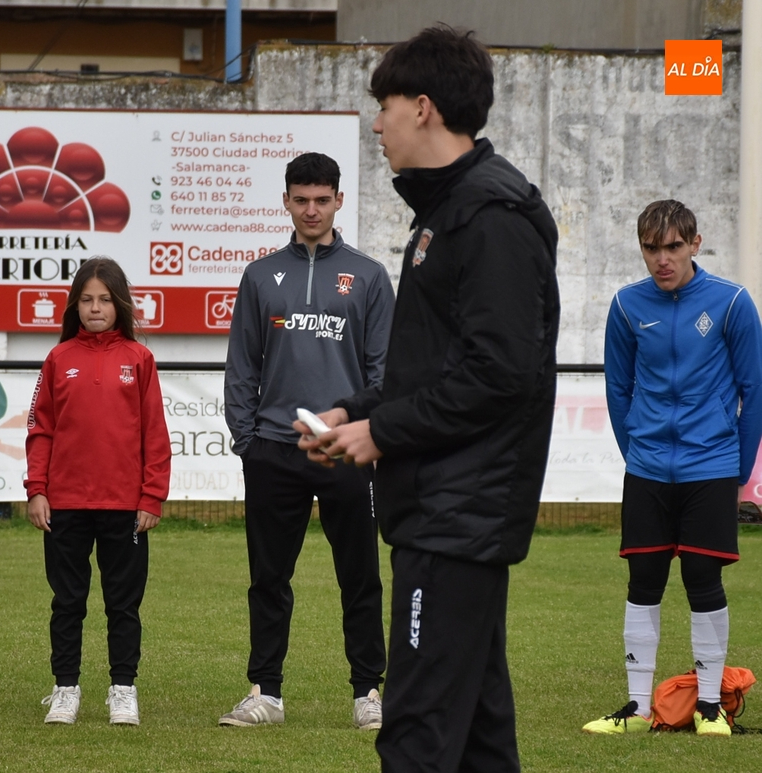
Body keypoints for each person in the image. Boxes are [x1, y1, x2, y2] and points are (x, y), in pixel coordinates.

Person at [299, 26, 559, 771]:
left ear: (422, 108)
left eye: (382, 107)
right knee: (478, 739)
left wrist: (383, 434)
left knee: (414, 734)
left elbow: (498, 373)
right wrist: (360, 409)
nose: (375, 126)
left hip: (458, 518)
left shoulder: (491, 218)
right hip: (444, 513)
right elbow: (435, 366)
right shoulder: (447, 215)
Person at [221, 152, 394, 729]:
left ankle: (368, 693)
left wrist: (362, 432)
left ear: (339, 200)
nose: (312, 209)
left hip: (345, 450)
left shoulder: (368, 276)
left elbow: (383, 371)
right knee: (268, 578)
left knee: (360, 576)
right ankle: (264, 692)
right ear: (287, 202)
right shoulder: (260, 274)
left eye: (322, 199)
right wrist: (248, 439)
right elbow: (242, 364)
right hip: (274, 449)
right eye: (302, 199)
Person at [582, 200, 762, 737]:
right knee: (644, 581)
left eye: (673, 247)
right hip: (648, 469)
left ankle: (710, 708)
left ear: (695, 244)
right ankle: (638, 710)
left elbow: (752, 393)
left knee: (703, 579)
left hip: (712, 467)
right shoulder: (625, 304)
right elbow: (618, 388)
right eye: (651, 248)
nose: (662, 259)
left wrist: (739, 472)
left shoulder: (732, 303)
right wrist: (636, 449)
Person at [25, 257, 171, 726]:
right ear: (74, 306)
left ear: (119, 303)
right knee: (67, 602)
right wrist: (37, 489)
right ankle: (65, 689)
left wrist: (151, 497)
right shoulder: (58, 359)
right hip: (64, 504)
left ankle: (123, 689)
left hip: (125, 506)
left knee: (122, 605)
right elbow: (40, 429)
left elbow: (155, 434)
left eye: (105, 299)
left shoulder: (139, 359)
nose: (95, 308)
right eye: (86, 300)